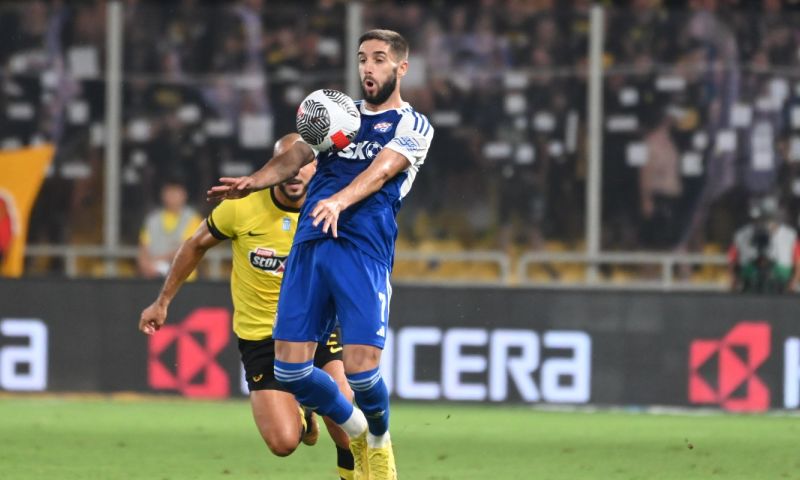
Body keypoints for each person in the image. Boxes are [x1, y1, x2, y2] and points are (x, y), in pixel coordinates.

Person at [208, 29, 434, 480]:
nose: (368, 68)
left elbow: (383, 169)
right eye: (362, 59)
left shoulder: (413, 125)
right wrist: (255, 180)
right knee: (290, 373)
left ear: (401, 68)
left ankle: (379, 439)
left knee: (362, 373)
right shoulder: (340, 114)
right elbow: (296, 156)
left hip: (362, 249)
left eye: (379, 59)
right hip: (311, 245)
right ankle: (357, 431)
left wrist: (339, 200)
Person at [139, 134, 356, 480]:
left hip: (314, 327)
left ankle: (353, 472)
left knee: (344, 411)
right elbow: (195, 245)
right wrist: (162, 302)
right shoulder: (243, 206)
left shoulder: (333, 207)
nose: (296, 174)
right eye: (288, 166)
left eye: (303, 165)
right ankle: (303, 416)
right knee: (283, 443)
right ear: (275, 169)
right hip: (262, 336)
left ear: (315, 166)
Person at [728, 194, 800, 293]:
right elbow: (733, 259)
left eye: (768, 217)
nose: (765, 222)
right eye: (762, 218)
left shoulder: (789, 235)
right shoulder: (742, 234)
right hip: (749, 277)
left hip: (781, 279)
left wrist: (794, 281)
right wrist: (734, 279)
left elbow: (797, 260)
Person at [138, 178, 202, 278]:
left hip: (183, 279)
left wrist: (157, 260)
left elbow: (186, 249)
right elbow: (143, 248)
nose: (172, 196)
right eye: (169, 192)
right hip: (154, 277)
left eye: (176, 193)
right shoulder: (152, 219)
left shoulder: (193, 219)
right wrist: (147, 266)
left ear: (184, 195)